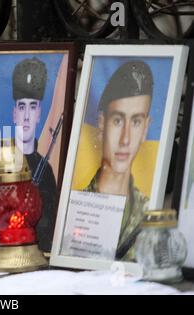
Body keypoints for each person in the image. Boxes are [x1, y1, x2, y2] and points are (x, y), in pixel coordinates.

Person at [0, 57, 58, 252]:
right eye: (22, 106)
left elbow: (50, 230)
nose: (26, 116)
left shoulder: (46, 172)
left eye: (32, 107)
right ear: (14, 113)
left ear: (39, 113)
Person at [84, 60, 153, 260]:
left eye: (136, 122)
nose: (125, 139)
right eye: (117, 120)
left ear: (146, 129)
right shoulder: (77, 206)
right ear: (102, 123)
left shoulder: (149, 211)